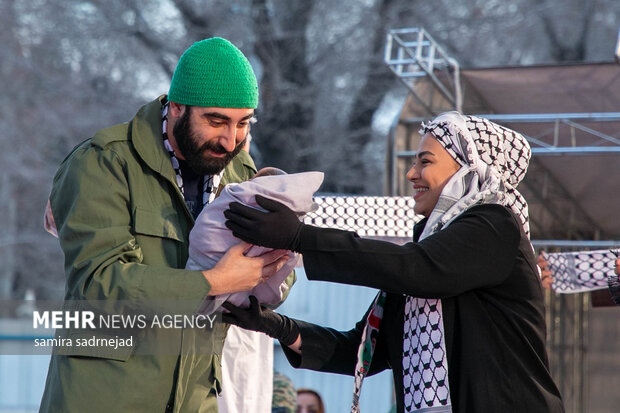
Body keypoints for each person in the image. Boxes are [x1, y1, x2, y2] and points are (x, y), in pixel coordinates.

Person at [223, 112, 565, 412]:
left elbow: (418, 269)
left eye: (425, 162)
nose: (411, 174)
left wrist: (300, 237)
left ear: (467, 167)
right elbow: (362, 349)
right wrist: (276, 326)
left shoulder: (494, 224)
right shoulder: (429, 249)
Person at [40, 37, 289, 413]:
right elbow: (100, 288)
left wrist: (275, 265)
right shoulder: (104, 163)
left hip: (195, 397)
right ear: (175, 108)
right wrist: (216, 282)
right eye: (216, 120)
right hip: (105, 397)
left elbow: (262, 284)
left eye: (243, 123)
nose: (230, 139)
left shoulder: (241, 172)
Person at [185, 166, 322, 413]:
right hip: (210, 320)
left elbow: (285, 274)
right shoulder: (229, 195)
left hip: (245, 324)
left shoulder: (241, 177)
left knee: (243, 393)